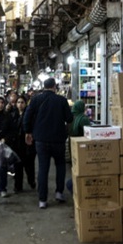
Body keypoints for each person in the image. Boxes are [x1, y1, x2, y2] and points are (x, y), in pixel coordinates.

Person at [23, 77, 73, 209]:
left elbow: (27, 116)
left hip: (41, 139)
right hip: (58, 139)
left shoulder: (35, 99)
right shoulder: (61, 100)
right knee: (60, 166)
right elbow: (69, 118)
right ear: (54, 87)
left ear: (44, 87)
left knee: (43, 168)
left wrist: (28, 131)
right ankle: (59, 193)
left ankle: (42, 200)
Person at [11, 94, 35, 192]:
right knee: (18, 166)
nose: (20, 104)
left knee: (29, 166)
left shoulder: (29, 114)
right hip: (17, 144)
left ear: (25, 104)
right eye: (18, 102)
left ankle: (31, 180)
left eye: (22, 102)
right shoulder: (13, 114)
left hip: (27, 144)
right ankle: (18, 186)